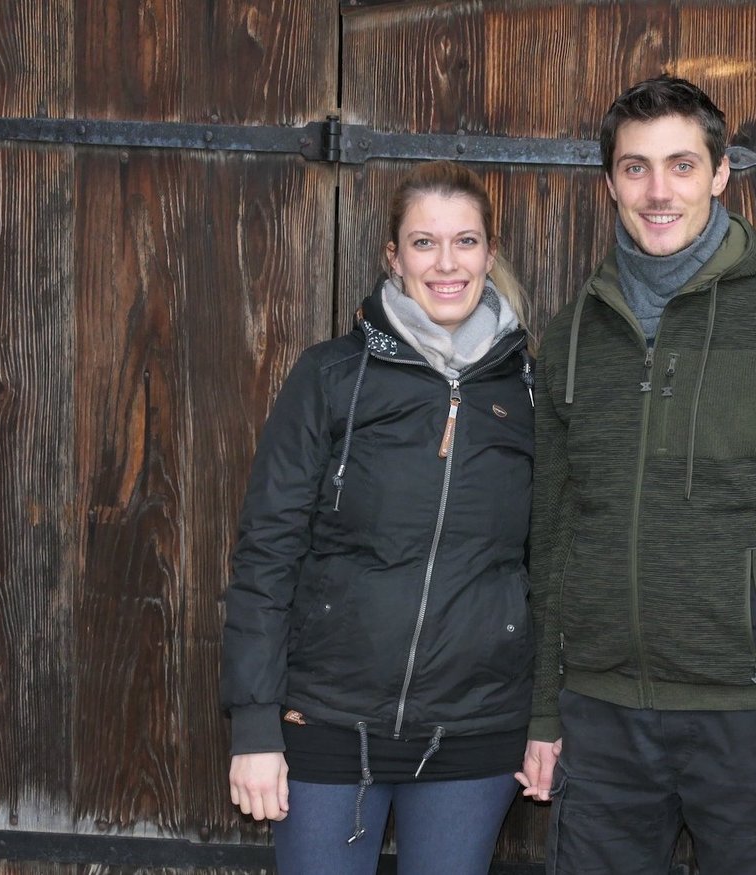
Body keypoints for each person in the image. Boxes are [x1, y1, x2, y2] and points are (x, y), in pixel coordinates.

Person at [515, 75, 756, 875]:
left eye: (681, 165)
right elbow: (553, 536)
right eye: (635, 167)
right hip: (600, 717)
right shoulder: (574, 334)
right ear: (610, 184)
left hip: (750, 722)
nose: (658, 191)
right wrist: (543, 713)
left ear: (719, 175)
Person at [221, 160, 537, 875]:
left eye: (465, 241)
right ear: (394, 257)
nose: (446, 263)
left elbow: (551, 562)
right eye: (424, 243)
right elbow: (267, 551)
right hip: (328, 722)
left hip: (475, 728)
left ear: (489, 253)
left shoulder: (526, 391)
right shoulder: (331, 375)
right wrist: (254, 724)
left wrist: (547, 720)